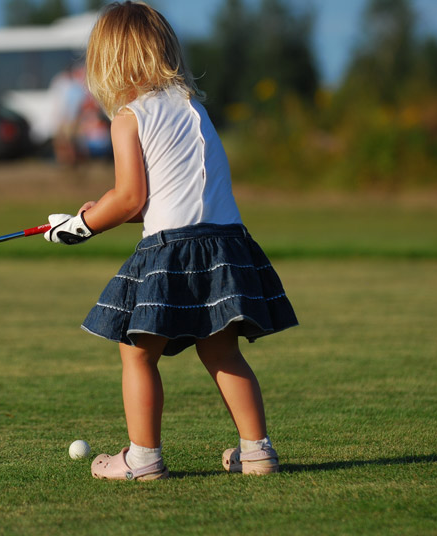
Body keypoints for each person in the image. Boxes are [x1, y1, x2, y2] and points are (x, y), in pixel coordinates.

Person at [44, 2, 298, 481]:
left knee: (136, 352)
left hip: (173, 247)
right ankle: (257, 451)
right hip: (224, 245)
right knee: (222, 351)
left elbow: (130, 197)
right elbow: (146, 197)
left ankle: (142, 459)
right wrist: (91, 211)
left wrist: (81, 227)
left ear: (108, 61)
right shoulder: (193, 109)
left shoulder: (128, 117)